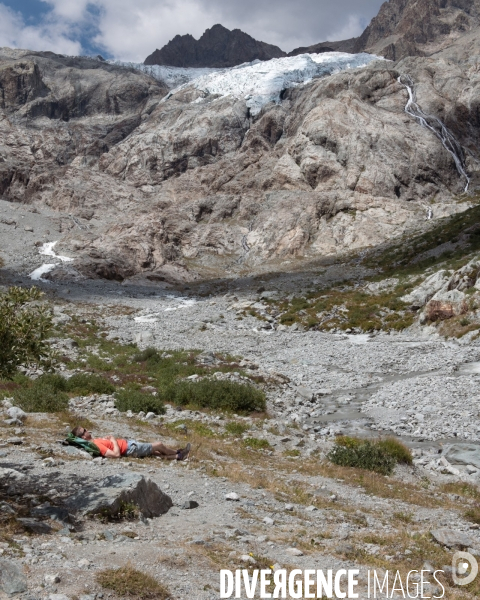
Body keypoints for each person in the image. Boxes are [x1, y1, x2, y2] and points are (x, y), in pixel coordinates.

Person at [71, 426, 190, 460]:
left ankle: (178, 456)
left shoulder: (95, 440)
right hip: (129, 449)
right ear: (83, 436)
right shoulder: (96, 445)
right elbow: (116, 455)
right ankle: (179, 451)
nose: (87, 430)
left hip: (129, 445)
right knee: (159, 445)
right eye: (84, 431)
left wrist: (109, 439)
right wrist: (112, 440)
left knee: (156, 453)